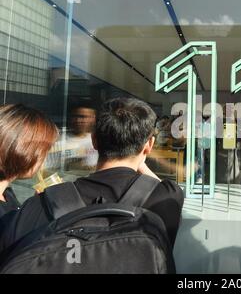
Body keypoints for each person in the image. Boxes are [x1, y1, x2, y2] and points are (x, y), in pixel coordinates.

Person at [0, 97, 184, 253]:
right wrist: (140, 157)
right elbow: (163, 189)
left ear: (94, 140)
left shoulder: (46, 202)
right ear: (149, 145)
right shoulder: (167, 198)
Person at [0, 104, 58, 218]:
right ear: (24, 150)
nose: (44, 158)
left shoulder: (6, 193)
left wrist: (35, 205)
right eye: (44, 151)